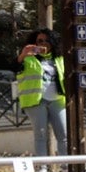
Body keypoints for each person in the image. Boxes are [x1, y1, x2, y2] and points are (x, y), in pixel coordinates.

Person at [16, 28, 67, 160]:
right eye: (40, 41)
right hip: (36, 101)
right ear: (34, 42)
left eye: (47, 40)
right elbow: (14, 68)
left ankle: (65, 167)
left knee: (64, 135)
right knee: (41, 136)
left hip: (57, 100)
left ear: (53, 42)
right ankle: (42, 167)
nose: (43, 43)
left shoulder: (60, 59)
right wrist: (23, 55)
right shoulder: (28, 58)